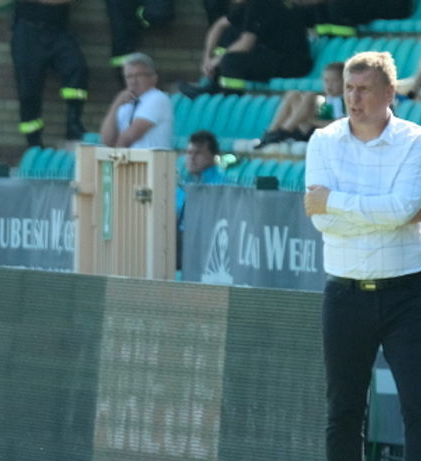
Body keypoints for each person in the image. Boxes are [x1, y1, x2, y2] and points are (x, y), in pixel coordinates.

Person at [303, 51, 421, 461]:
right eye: (348, 89)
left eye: (364, 90)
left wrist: (338, 201)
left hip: (407, 289)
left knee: (420, 403)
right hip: (345, 291)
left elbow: (402, 207)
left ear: (390, 94)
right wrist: (385, 211)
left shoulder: (415, 140)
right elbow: (320, 220)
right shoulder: (322, 140)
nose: (353, 99)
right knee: (343, 408)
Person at [180, 0, 312, 97]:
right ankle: (214, 85)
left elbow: (246, 43)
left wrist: (218, 60)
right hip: (271, 56)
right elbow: (219, 26)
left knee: (231, 61)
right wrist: (207, 58)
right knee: (228, 34)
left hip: (292, 62)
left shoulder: (261, 4)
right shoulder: (246, 5)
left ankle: (230, 95)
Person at [11, 0, 89, 147]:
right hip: (28, 32)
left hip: (59, 30)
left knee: (77, 68)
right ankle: (34, 142)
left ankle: (73, 124)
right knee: (28, 91)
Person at [255, 61, 344, 147]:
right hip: (305, 129)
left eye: (334, 81)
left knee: (310, 95)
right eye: (326, 81)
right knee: (293, 94)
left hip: (318, 133)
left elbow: (338, 126)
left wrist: (311, 121)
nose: (329, 85)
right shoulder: (326, 99)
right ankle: (272, 131)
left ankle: (283, 132)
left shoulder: (342, 100)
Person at [176, 129, 227, 268]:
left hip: (204, 244)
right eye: (189, 153)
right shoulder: (183, 183)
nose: (192, 158)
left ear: (213, 156)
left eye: (198, 153)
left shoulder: (222, 185)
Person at [100, 53, 174, 149]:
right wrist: (116, 104)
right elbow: (106, 140)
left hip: (152, 162)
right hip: (128, 161)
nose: (133, 81)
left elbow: (129, 137)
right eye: (129, 76)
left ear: (153, 78)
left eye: (138, 75)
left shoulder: (158, 98)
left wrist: (112, 155)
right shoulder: (125, 102)